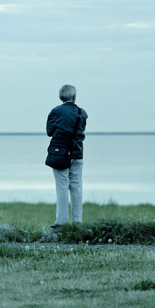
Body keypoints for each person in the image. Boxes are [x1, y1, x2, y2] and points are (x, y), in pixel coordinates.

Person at [46, 84, 87, 227]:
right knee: (76, 187)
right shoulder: (82, 113)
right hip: (77, 153)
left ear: (60, 97)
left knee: (62, 187)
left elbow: (49, 131)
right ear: (74, 97)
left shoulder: (55, 112)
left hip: (61, 154)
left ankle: (61, 222)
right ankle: (77, 222)